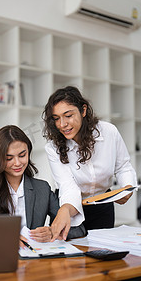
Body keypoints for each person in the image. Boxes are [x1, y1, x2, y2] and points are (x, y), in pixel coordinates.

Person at [42, 86, 137, 241]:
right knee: (69, 257)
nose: (62, 124)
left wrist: (126, 188)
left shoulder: (109, 132)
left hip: (103, 206)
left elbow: (123, 166)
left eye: (68, 115)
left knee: (102, 253)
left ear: (83, 110)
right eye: (57, 118)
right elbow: (68, 186)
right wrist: (65, 210)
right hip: (69, 206)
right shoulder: (53, 148)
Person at [0, 125, 86, 247]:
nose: (17, 163)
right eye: (9, 158)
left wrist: (51, 232)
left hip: (32, 258)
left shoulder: (42, 188)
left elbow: (78, 229)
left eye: (22, 155)